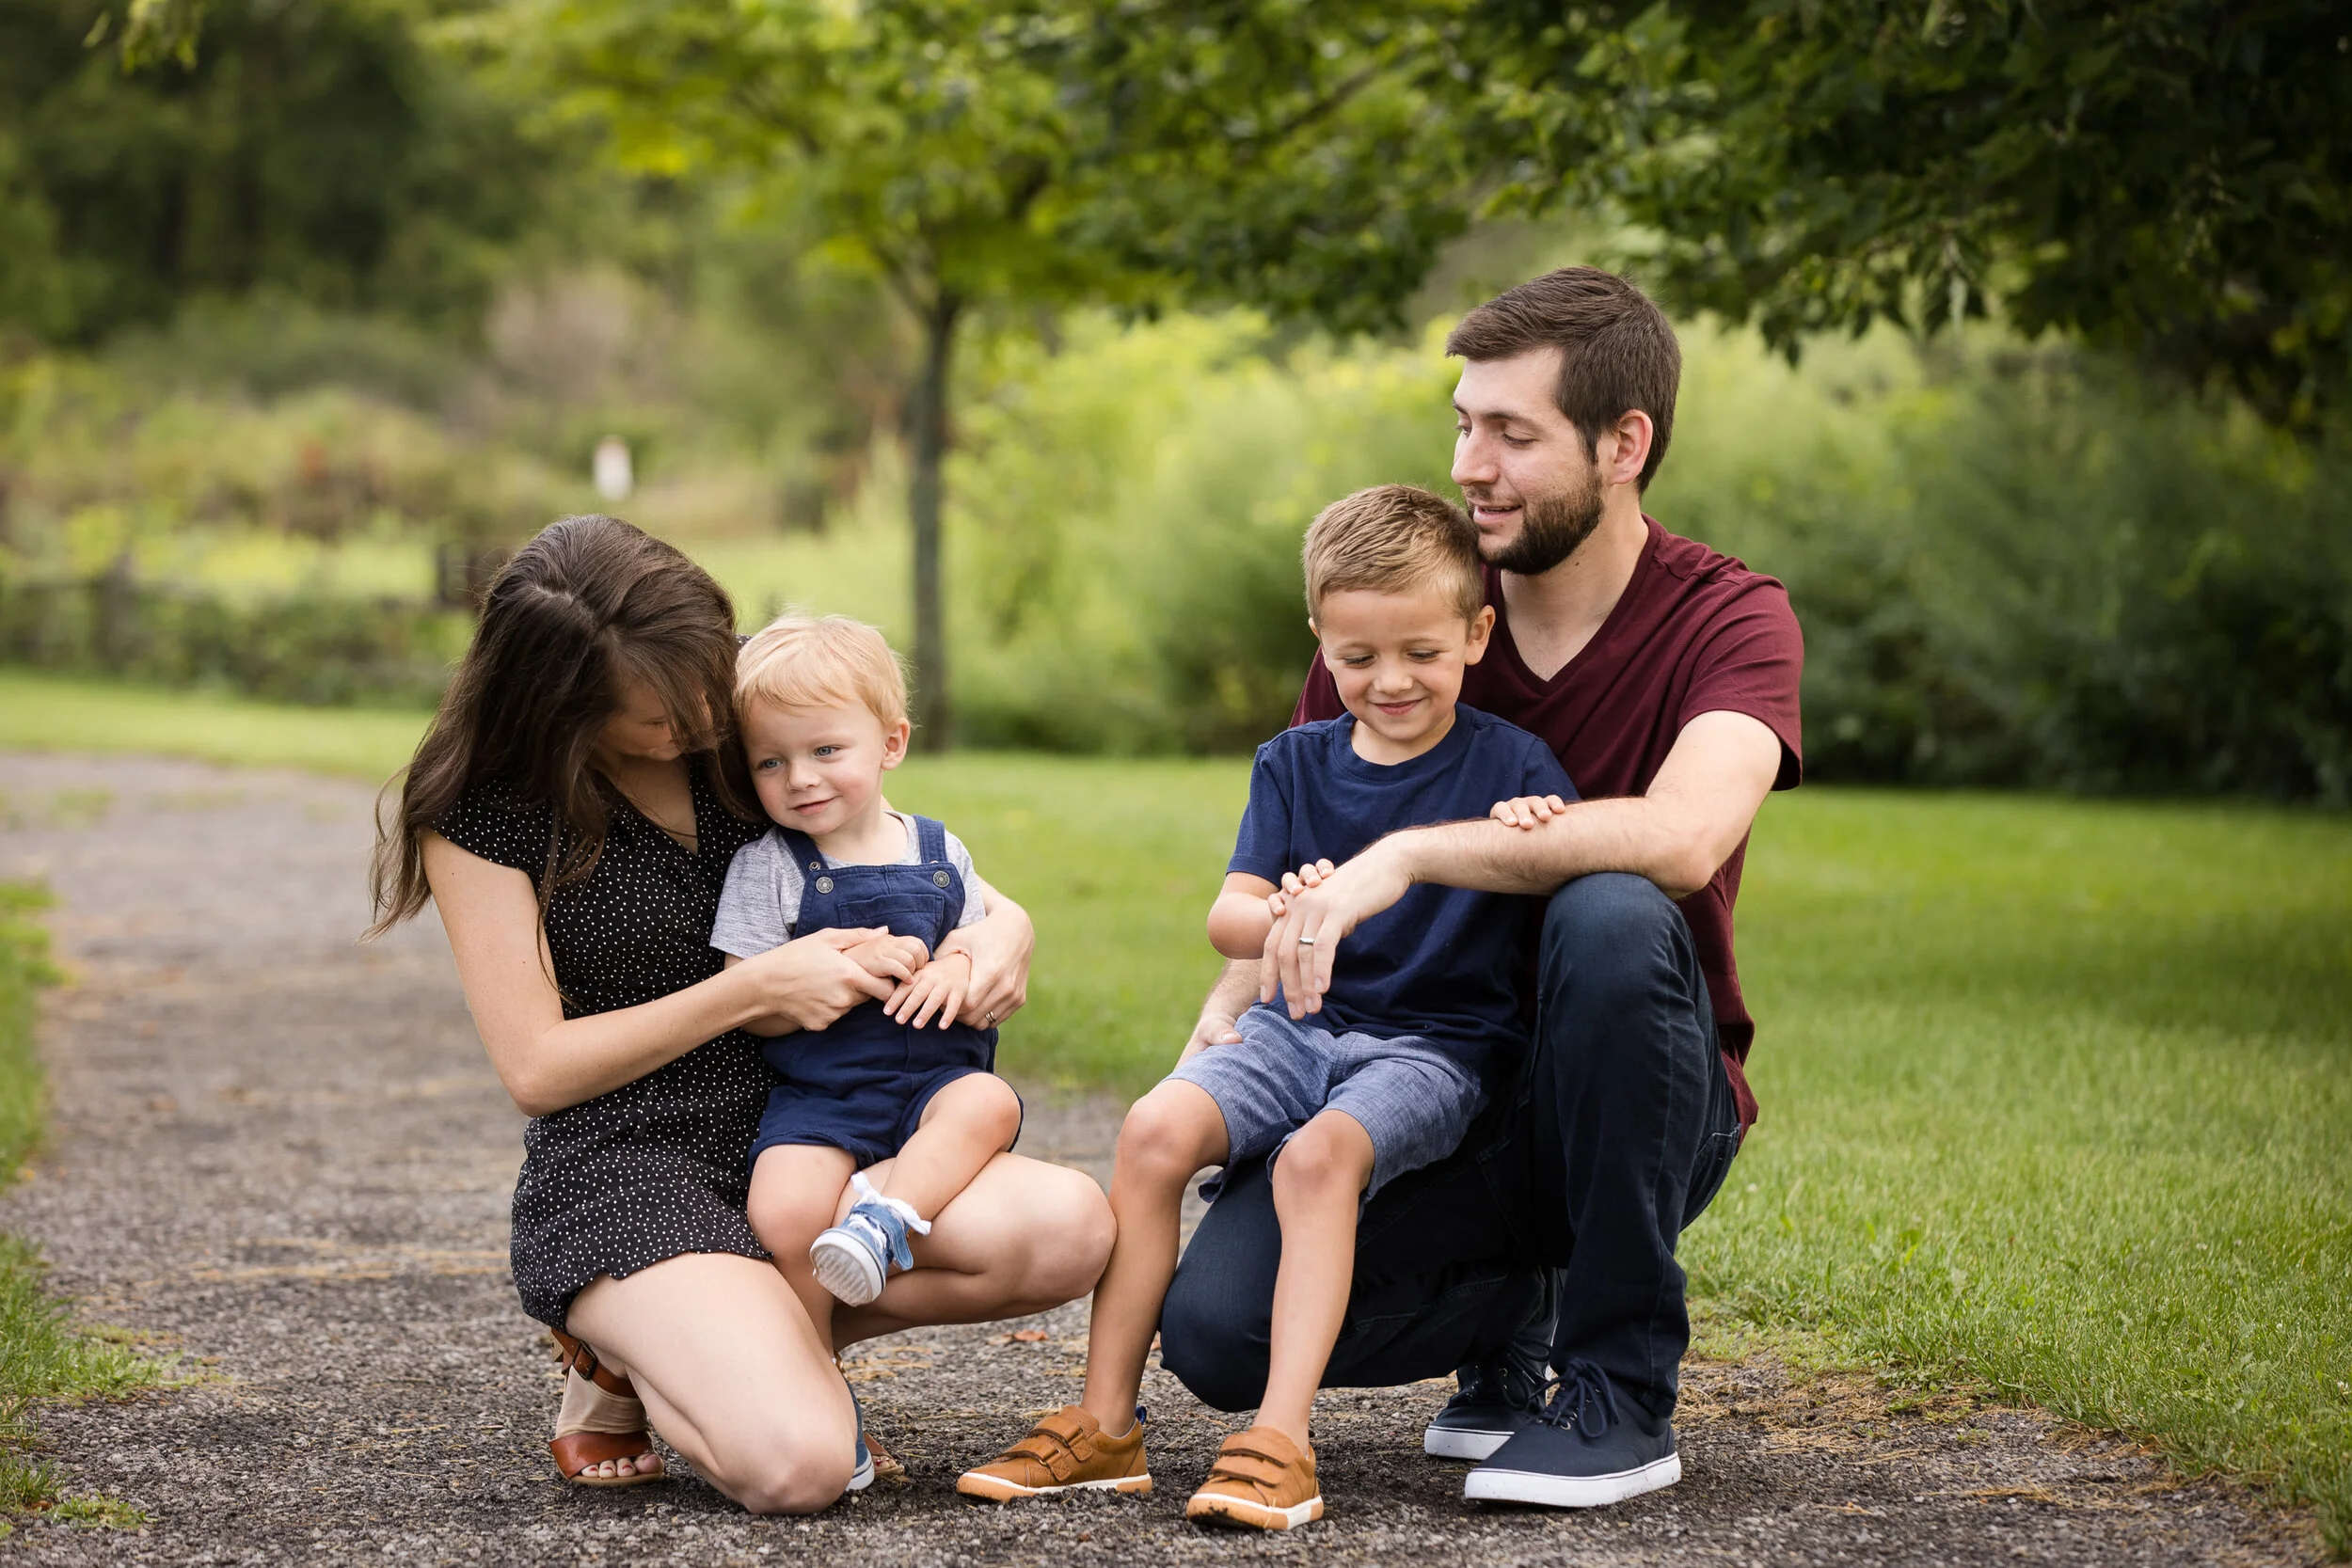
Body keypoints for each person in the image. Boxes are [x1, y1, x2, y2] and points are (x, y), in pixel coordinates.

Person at [1152, 266, 1804, 1510]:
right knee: (1220, 1336)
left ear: (1625, 444)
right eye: (1463, 422)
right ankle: (1523, 1310)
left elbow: (1680, 836)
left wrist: (1410, 853)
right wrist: (1232, 999)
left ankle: (1618, 1387)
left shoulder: (1731, 617)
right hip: (1413, 1079)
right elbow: (1303, 843)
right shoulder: (1413, 617)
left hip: (1622, 1095)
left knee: (1611, 905)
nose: (1471, 463)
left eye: (1512, 432)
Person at [368, 515, 1112, 1512]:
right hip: (635, 1162)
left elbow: (889, 844)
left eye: (697, 689)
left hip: (819, 1128)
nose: (691, 727)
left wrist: (1003, 928)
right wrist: (752, 988)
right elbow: (536, 1066)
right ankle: (656, 1348)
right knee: (799, 1466)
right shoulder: (485, 814)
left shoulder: (741, 737)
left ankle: (696, 1349)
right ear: (557, 710)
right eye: (651, 717)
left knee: (1067, 1228)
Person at [957, 486, 1575, 1530]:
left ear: (1476, 633)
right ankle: (1107, 1424)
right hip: (1296, 1027)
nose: (1390, 681)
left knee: (1314, 1159)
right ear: (1320, 641)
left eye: (1421, 651)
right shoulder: (1292, 762)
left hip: (1434, 1048)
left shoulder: (1507, 763)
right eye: (1357, 655)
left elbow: (1557, 868)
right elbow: (1229, 912)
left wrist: (1534, 829)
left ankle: (1282, 1436)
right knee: (1153, 1128)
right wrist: (1279, 914)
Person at [711, 614, 1025, 1341]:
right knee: (782, 1213)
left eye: (826, 749)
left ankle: (885, 1218)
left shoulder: (941, 849)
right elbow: (747, 999)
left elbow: (976, 943)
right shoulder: (769, 864)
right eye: (771, 762)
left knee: (990, 1103)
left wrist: (959, 965)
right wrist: (841, 970)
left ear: (891, 743)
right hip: (826, 1094)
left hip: (936, 1085)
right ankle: (815, 1372)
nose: (801, 778)